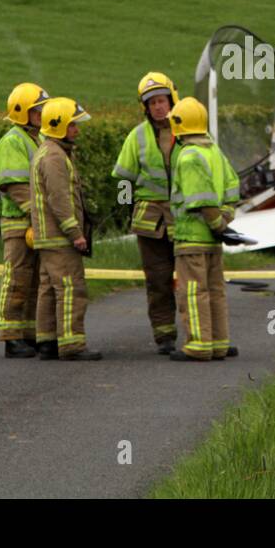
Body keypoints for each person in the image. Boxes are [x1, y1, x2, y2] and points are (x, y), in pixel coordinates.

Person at [166, 97, 241, 361]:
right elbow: (233, 188)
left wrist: (217, 224)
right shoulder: (214, 152)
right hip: (212, 242)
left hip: (191, 238)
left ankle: (198, 345)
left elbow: (203, 200)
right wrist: (225, 222)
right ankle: (219, 343)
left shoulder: (189, 156)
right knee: (216, 291)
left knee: (193, 293)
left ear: (178, 126)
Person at [112, 72, 180, 354]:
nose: (158, 107)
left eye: (162, 101)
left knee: (191, 280)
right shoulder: (136, 136)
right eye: (152, 103)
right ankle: (164, 336)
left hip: (184, 217)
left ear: (171, 100)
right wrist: (128, 208)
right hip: (150, 221)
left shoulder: (188, 129)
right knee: (158, 280)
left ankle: (200, 335)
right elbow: (123, 179)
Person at [30, 97, 102, 361]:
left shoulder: (49, 152)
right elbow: (59, 200)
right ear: (59, 126)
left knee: (49, 289)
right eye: (73, 126)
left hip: (48, 237)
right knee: (71, 288)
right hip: (59, 238)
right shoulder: (54, 157)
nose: (77, 130)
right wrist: (76, 234)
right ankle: (72, 345)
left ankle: (48, 342)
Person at [0, 82, 48, 358]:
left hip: (34, 223)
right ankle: (11, 337)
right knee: (16, 279)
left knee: (34, 279)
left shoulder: (37, 139)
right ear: (22, 112)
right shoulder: (12, 142)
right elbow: (15, 186)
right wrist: (36, 214)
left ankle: (28, 334)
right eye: (37, 110)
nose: (42, 114)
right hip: (18, 224)